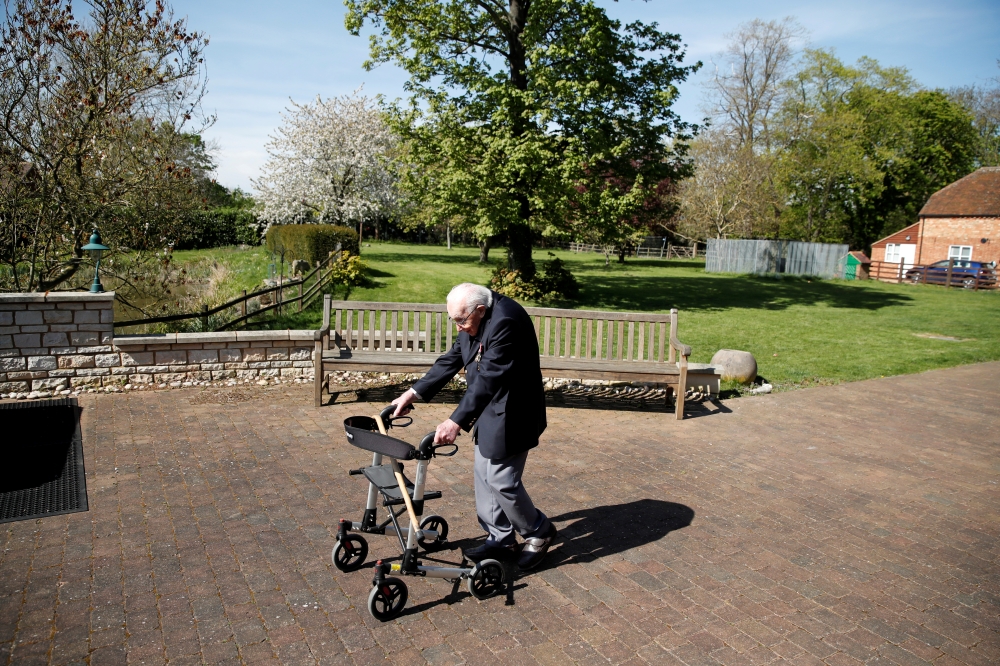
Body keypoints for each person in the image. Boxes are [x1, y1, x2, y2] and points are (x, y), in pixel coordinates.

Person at [391, 282, 556, 569]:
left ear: (480, 309)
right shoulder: (474, 319)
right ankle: (500, 538)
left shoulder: (505, 320)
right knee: (483, 475)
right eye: (454, 320)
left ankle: (538, 531)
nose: (458, 327)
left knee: (502, 481)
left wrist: (455, 421)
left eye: (460, 320)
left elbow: (490, 377)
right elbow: (453, 358)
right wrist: (412, 393)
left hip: (514, 412)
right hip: (488, 409)